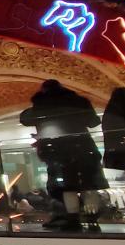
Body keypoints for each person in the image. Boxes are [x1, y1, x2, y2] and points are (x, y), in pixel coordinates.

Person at [20, 80, 107, 231]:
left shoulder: (41, 105)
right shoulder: (79, 102)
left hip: (56, 152)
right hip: (83, 147)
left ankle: (73, 219)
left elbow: (25, 119)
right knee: (88, 186)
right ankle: (92, 219)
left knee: (68, 188)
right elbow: (93, 122)